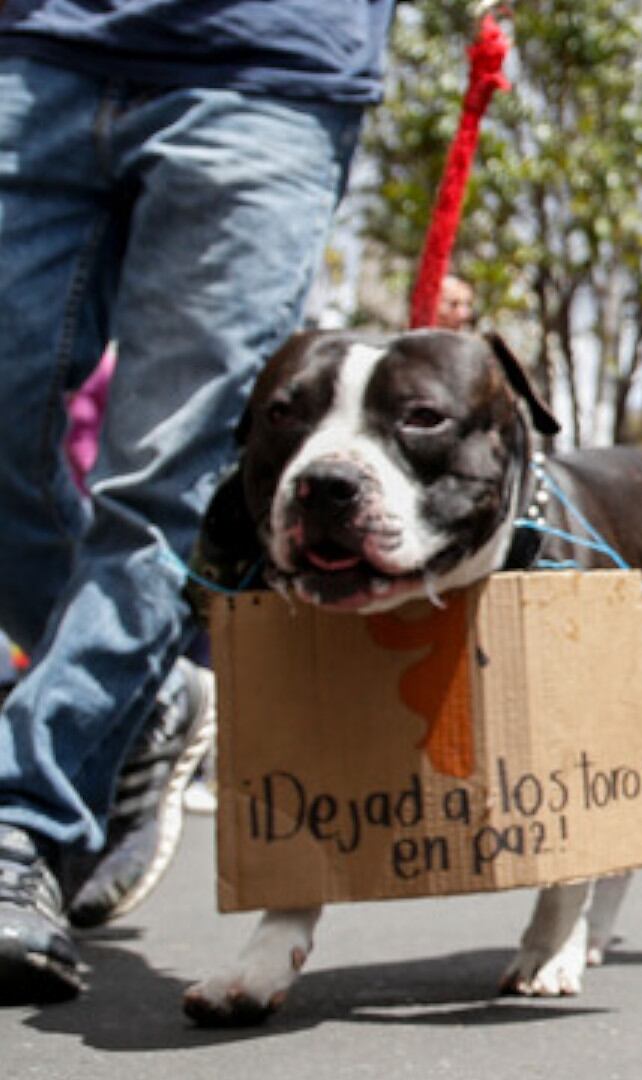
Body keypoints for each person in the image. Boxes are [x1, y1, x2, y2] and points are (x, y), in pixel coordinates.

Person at [0, 1, 392, 1003]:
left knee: (161, 484)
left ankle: (22, 821)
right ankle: (145, 699)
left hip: (269, 68)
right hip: (35, 43)